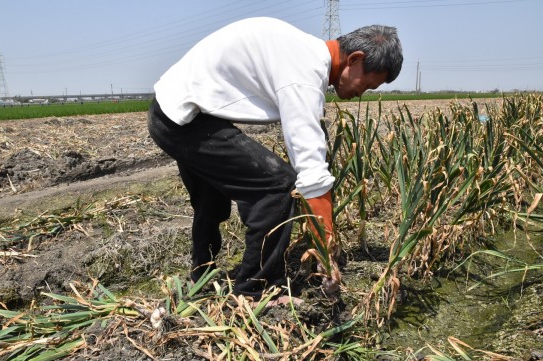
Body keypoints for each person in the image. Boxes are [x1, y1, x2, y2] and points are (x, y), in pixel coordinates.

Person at [148, 17, 403, 301]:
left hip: (175, 111)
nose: (360, 94)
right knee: (278, 187)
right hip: (184, 121)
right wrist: (327, 249)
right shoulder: (303, 73)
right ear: (355, 59)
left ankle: (200, 277)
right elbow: (312, 174)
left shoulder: (301, 51)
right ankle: (257, 290)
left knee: (212, 200)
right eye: (367, 85)